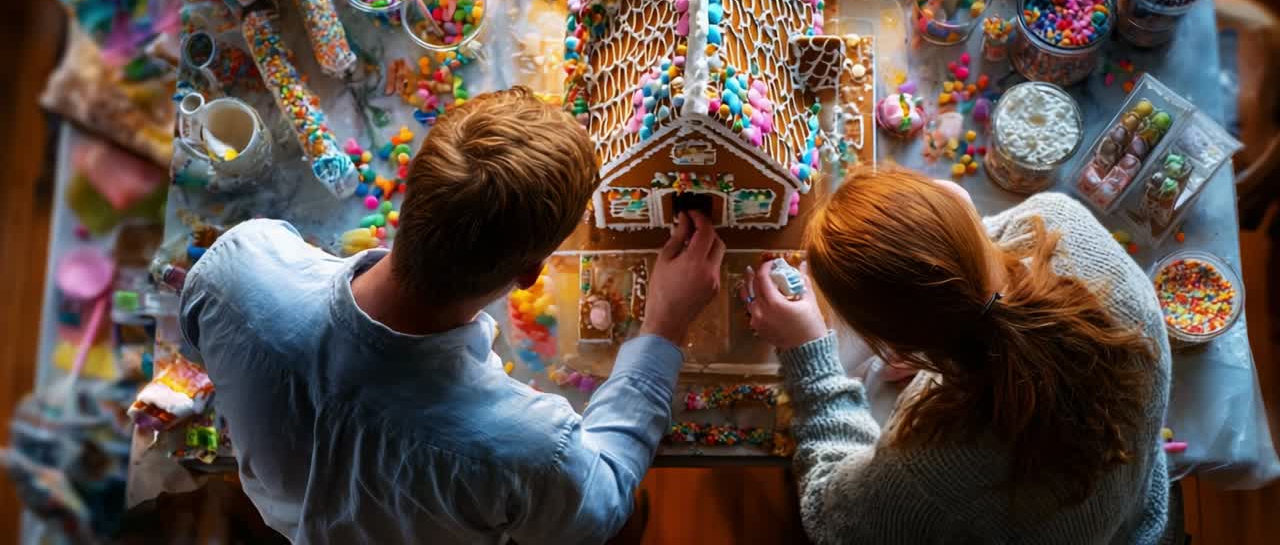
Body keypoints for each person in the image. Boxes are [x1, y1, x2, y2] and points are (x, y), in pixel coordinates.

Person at [180, 87, 726, 544]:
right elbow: (602, 505)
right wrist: (663, 327)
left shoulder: (238, 266)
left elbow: (195, 339)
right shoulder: (528, 447)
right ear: (531, 272)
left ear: (413, 187)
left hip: (284, 513)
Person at [745, 166, 1173, 544]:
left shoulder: (931, 466)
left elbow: (830, 519)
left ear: (897, 348)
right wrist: (964, 231)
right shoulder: (1062, 222)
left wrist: (809, 356)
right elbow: (979, 297)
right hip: (1132, 500)